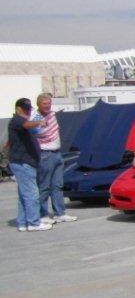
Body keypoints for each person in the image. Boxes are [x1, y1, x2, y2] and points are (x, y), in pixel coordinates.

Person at [6, 98, 51, 231]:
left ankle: (22, 222)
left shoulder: (21, 122)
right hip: (23, 163)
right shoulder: (17, 120)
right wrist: (39, 122)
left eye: (29, 109)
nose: (28, 111)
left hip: (24, 162)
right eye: (26, 109)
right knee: (32, 194)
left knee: (24, 195)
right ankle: (33, 222)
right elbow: (26, 125)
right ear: (18, 108)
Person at [32, 93, 77, 223]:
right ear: (39, 104)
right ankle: (43, 214)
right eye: (44, 104)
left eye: (49, 103)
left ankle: (60, 213)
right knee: (44, 186)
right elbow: (38, 135)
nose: (47, 106)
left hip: (57, 152)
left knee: (57, 185)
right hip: (45, 153)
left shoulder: (52, 114)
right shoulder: (36, 117)